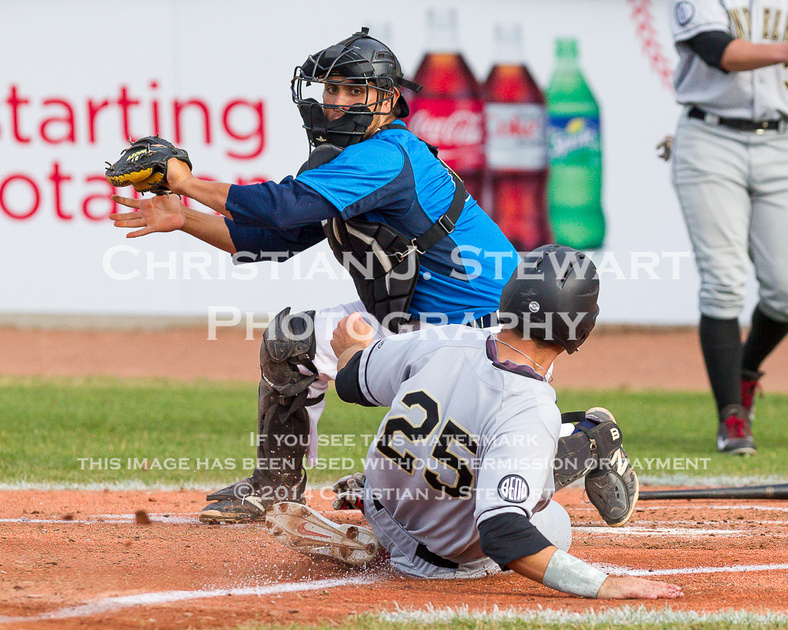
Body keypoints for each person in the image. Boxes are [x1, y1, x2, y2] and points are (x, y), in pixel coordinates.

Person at [109, 28, 522, 524]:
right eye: (330, 89)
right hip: (422, 321)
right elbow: (270, 240)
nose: (337, 101)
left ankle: (581, 442)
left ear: (388, 99)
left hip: (480, 330)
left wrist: (186, 182)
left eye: (354, 90)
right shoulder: (347, 162)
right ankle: (276, 489)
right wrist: (184, 217)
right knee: (292, 342)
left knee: (439, 484)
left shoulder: (388, 154)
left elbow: (282, 207)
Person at [265, 245, 678, 600]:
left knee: (482, 440)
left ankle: (390, 524)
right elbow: (503, 533)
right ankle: (598, 442)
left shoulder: (445, 337)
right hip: (438, 565)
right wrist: (603, 585)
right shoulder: (533, 410)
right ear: (581, 330)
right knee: (553, 520)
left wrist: (352, 348)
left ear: (511, 295)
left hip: (382, 504)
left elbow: (353, 383)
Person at [668, 1, 788, 455]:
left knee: (784, 290)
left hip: (781, 138)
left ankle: (744, 371)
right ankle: (731, 417)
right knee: (723, 282)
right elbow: (719, 50)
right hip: (712, 139)